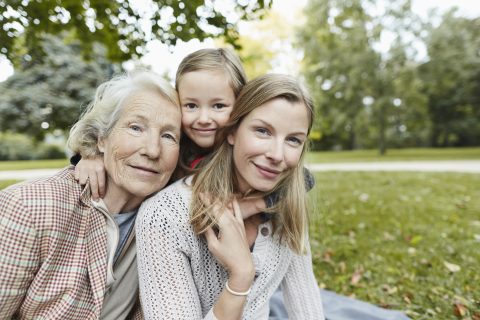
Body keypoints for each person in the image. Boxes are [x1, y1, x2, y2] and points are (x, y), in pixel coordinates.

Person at [136, 73, 325, 319]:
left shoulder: (288, 204)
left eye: (293, 140)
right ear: (232, 132)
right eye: (263, 131)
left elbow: (307, 309)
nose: (277, 155)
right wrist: (241, 275)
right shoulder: (164, 215)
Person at [0, 70, 181, 319]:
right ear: (102, 138)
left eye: (169, 136)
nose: (152, 149)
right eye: (136, 127)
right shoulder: (28, 207)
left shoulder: (172, 224)